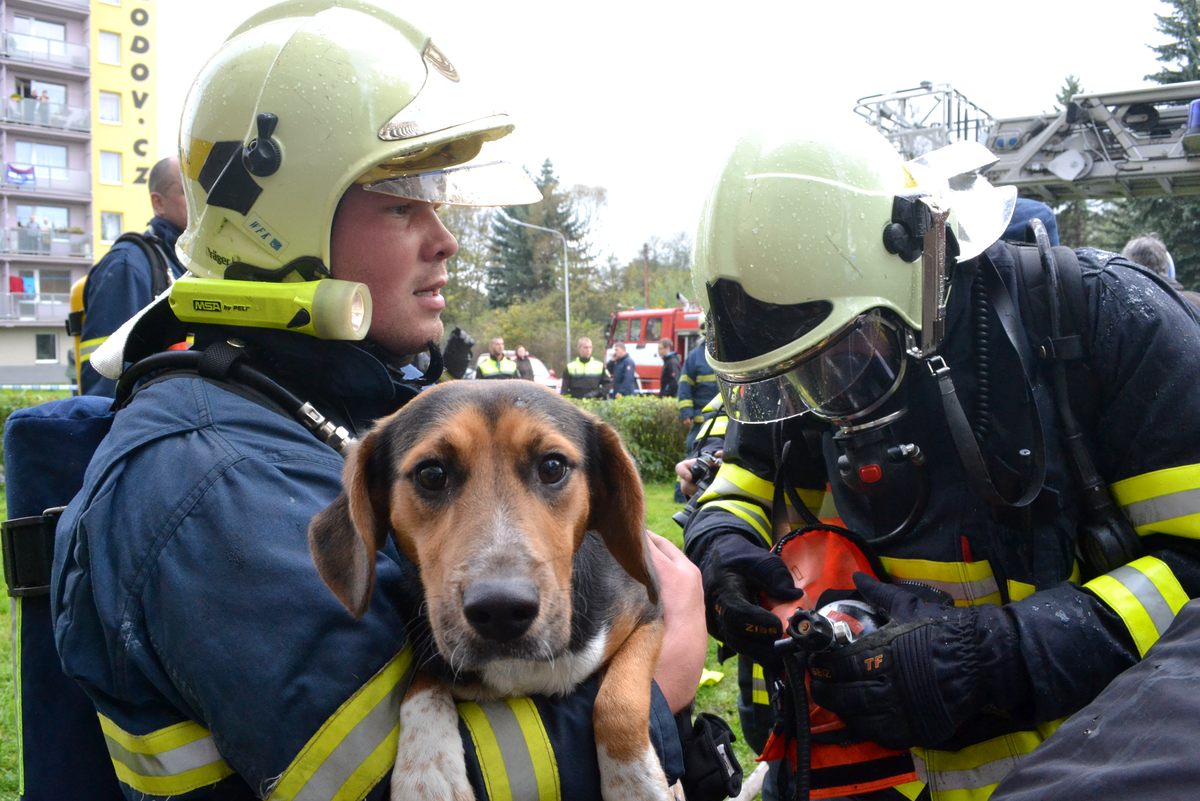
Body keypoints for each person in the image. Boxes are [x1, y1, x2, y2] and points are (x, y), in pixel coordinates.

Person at [51, 3, 705, 798]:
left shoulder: (304, 410)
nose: (445, 238)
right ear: (278, 222)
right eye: (402, 202)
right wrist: (660, 686)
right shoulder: (207, 482)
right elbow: (374, 782)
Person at [680, 115, 1200, 801]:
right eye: (794, 378)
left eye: (840, 359)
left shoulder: (1108, 323)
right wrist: (720, 544)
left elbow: (1191, 573)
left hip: (1092, 768)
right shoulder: (814, 339)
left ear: (916, 268)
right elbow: (741, 481)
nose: (822, 398)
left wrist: (1003, 656)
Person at [78, 156, 187, 396]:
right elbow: (104, 386)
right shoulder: (127, 265)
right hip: (151, 426)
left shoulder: (188, 265)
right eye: (186, 190)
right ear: (158, 203)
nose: (201, 200)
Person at [677, 331, 718, 451]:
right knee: (694, 451)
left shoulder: (728, 354)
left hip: (726, 421)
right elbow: (684, 386)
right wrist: (686, 412)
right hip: (700, 422)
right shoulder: (695, 356)